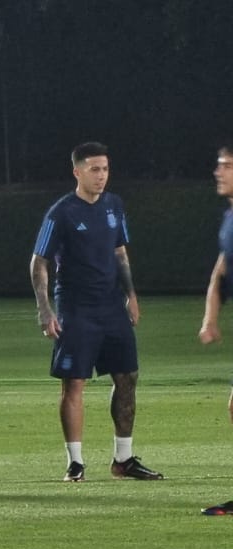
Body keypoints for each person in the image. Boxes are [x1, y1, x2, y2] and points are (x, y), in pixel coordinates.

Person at [30, 142, 163, 483]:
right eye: (94, 169)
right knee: (74, 382)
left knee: (127, 377)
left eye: (105, 169)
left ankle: (124, 459)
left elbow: (120, 253)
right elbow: (38, 262)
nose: (101, 175)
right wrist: (45, 310)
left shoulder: (115, 206)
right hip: (76, 308)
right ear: (77, 172)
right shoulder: (61, 212)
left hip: (110, 306)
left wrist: (131, 295)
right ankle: (75, 462)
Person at [196, 144, 233, 515]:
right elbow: (220, 273)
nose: (218, 171)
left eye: (226, 165)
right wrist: (210, 317)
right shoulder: (229, 218)